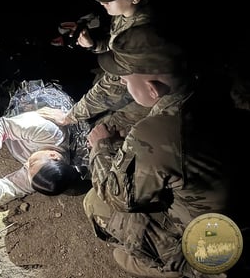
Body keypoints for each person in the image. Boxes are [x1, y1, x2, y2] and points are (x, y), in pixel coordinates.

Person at [81, 29, 245, 277]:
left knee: (95, 202)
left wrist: (101, 146)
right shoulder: (207, 89)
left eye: (125, 80)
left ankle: (186, 268)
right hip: (233, 207)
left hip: (210, 241)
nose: (123, 84)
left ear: (153, 89)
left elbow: (118, 197)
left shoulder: (160, 129)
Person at [38, 0, 155, 136]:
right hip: (119, 86)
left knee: (99, 135)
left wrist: (69, 116)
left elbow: (113, 86)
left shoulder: (143, 35)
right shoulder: (126, 13)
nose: (102, 2)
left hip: (141, 102)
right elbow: (114, 45)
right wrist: (94, 44)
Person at [0, 80, 91, 206]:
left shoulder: (40, 174)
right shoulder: (47, 131)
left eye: (28, 170)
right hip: (29, 100)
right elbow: (3, 126)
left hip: (22, 133)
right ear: (53, 155)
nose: (26, 164)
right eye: (32, 164)